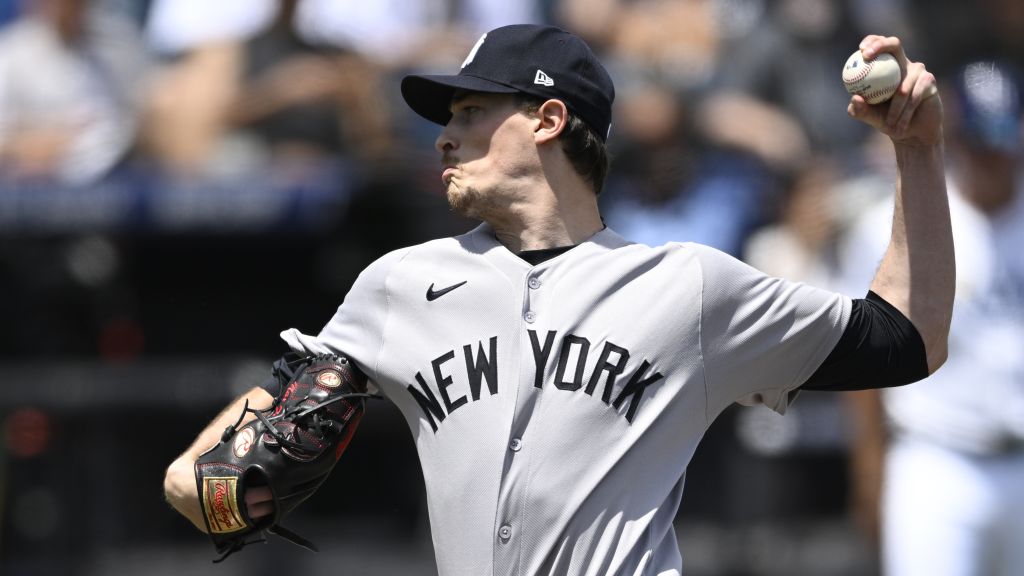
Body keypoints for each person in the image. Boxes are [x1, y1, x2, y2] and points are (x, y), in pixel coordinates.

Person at [164, 24, 952, 575]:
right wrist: (223, 498)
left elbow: (909, 336)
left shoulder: (687, 286)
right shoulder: (398, 285)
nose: (445, 136)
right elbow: (201, 483)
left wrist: (916, 153)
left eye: (471, 112)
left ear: (548, 119)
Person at [842, 60, 1024, 576]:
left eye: (1004, 139)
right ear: (957, 137)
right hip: (936, 461)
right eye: (980, 141)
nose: (994, 156)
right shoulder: (895, 222)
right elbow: (863, 361)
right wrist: (869, 475)